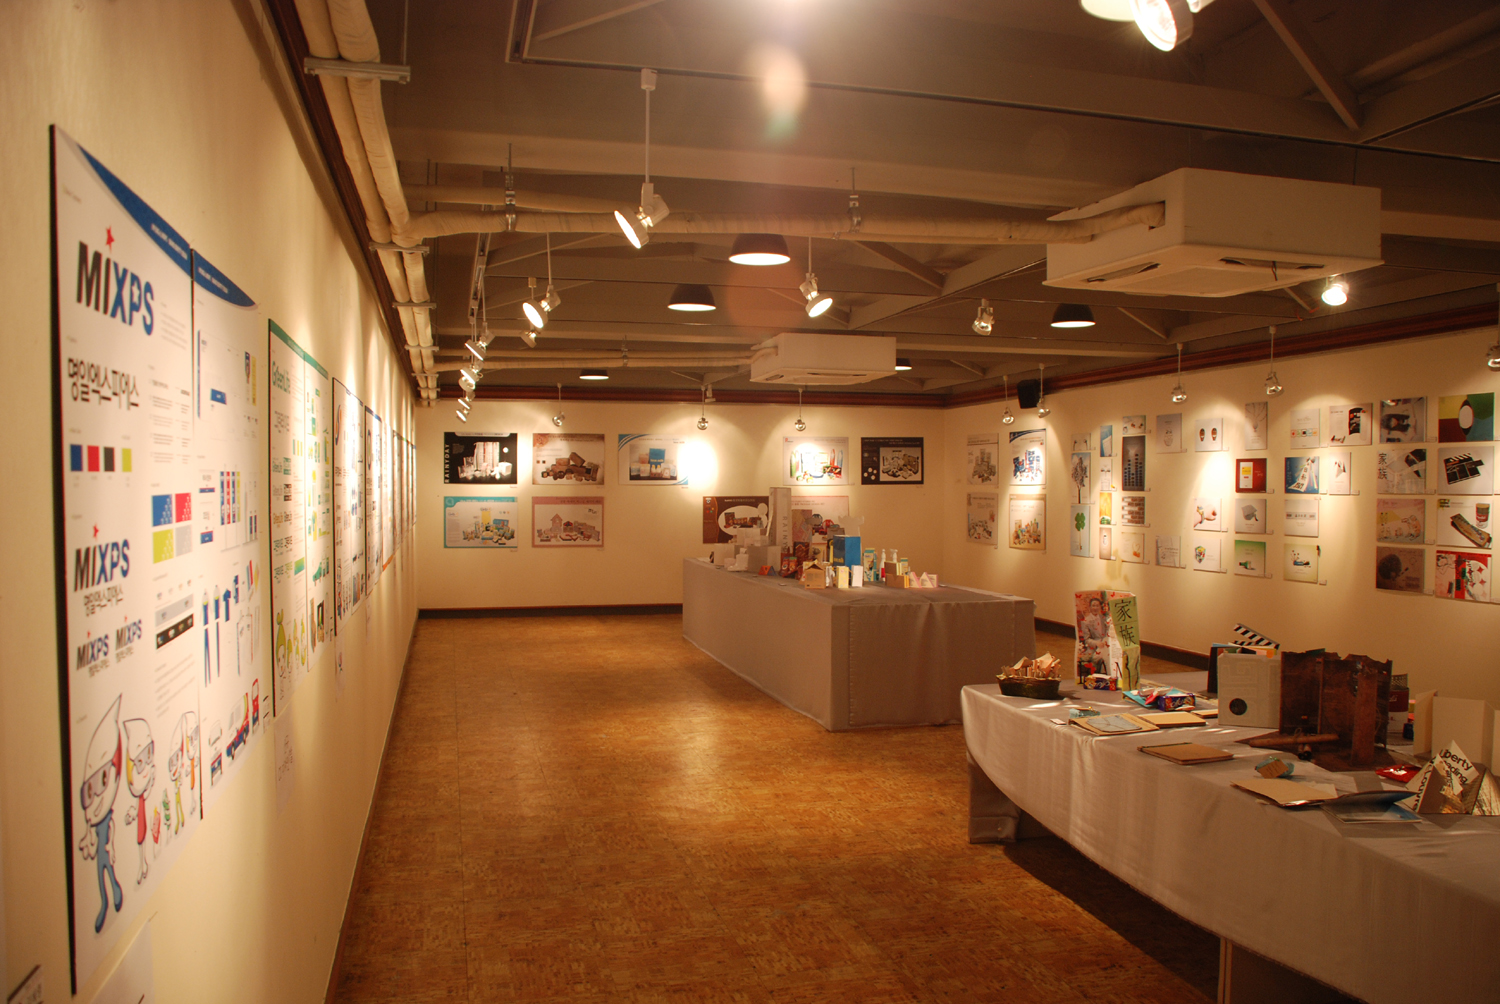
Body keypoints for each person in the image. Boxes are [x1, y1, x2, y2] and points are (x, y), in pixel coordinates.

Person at [79, 697, 125, 932]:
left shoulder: (107, 820)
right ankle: (105, 904)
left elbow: (111, 830)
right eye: (89, 790)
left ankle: (115, 892)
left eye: (103, 780)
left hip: (105, 851)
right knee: (100, 878)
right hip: (100, 854)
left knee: (110, 875)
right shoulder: (94, 823)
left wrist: (112, 848)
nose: (96, 796)